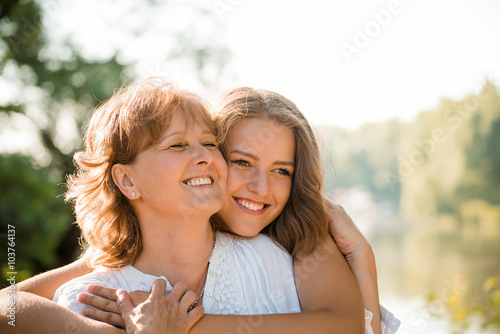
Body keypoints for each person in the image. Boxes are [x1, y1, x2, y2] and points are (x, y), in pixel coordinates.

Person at [0, 78, 365, 334]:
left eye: (208, 143)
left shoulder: (281, 257)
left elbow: (349, 326)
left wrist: (184, 325)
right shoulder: (93, 299)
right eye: (177, 146)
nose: (204, 157)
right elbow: (8, 308)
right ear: (127, 180)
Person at [81, 87, 400, 333]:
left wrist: (362, 256)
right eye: (243, 162)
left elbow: (345, 327)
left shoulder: (294, 236)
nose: (261, 189)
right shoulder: (137, 251)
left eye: (281, 171)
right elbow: (30, 296)